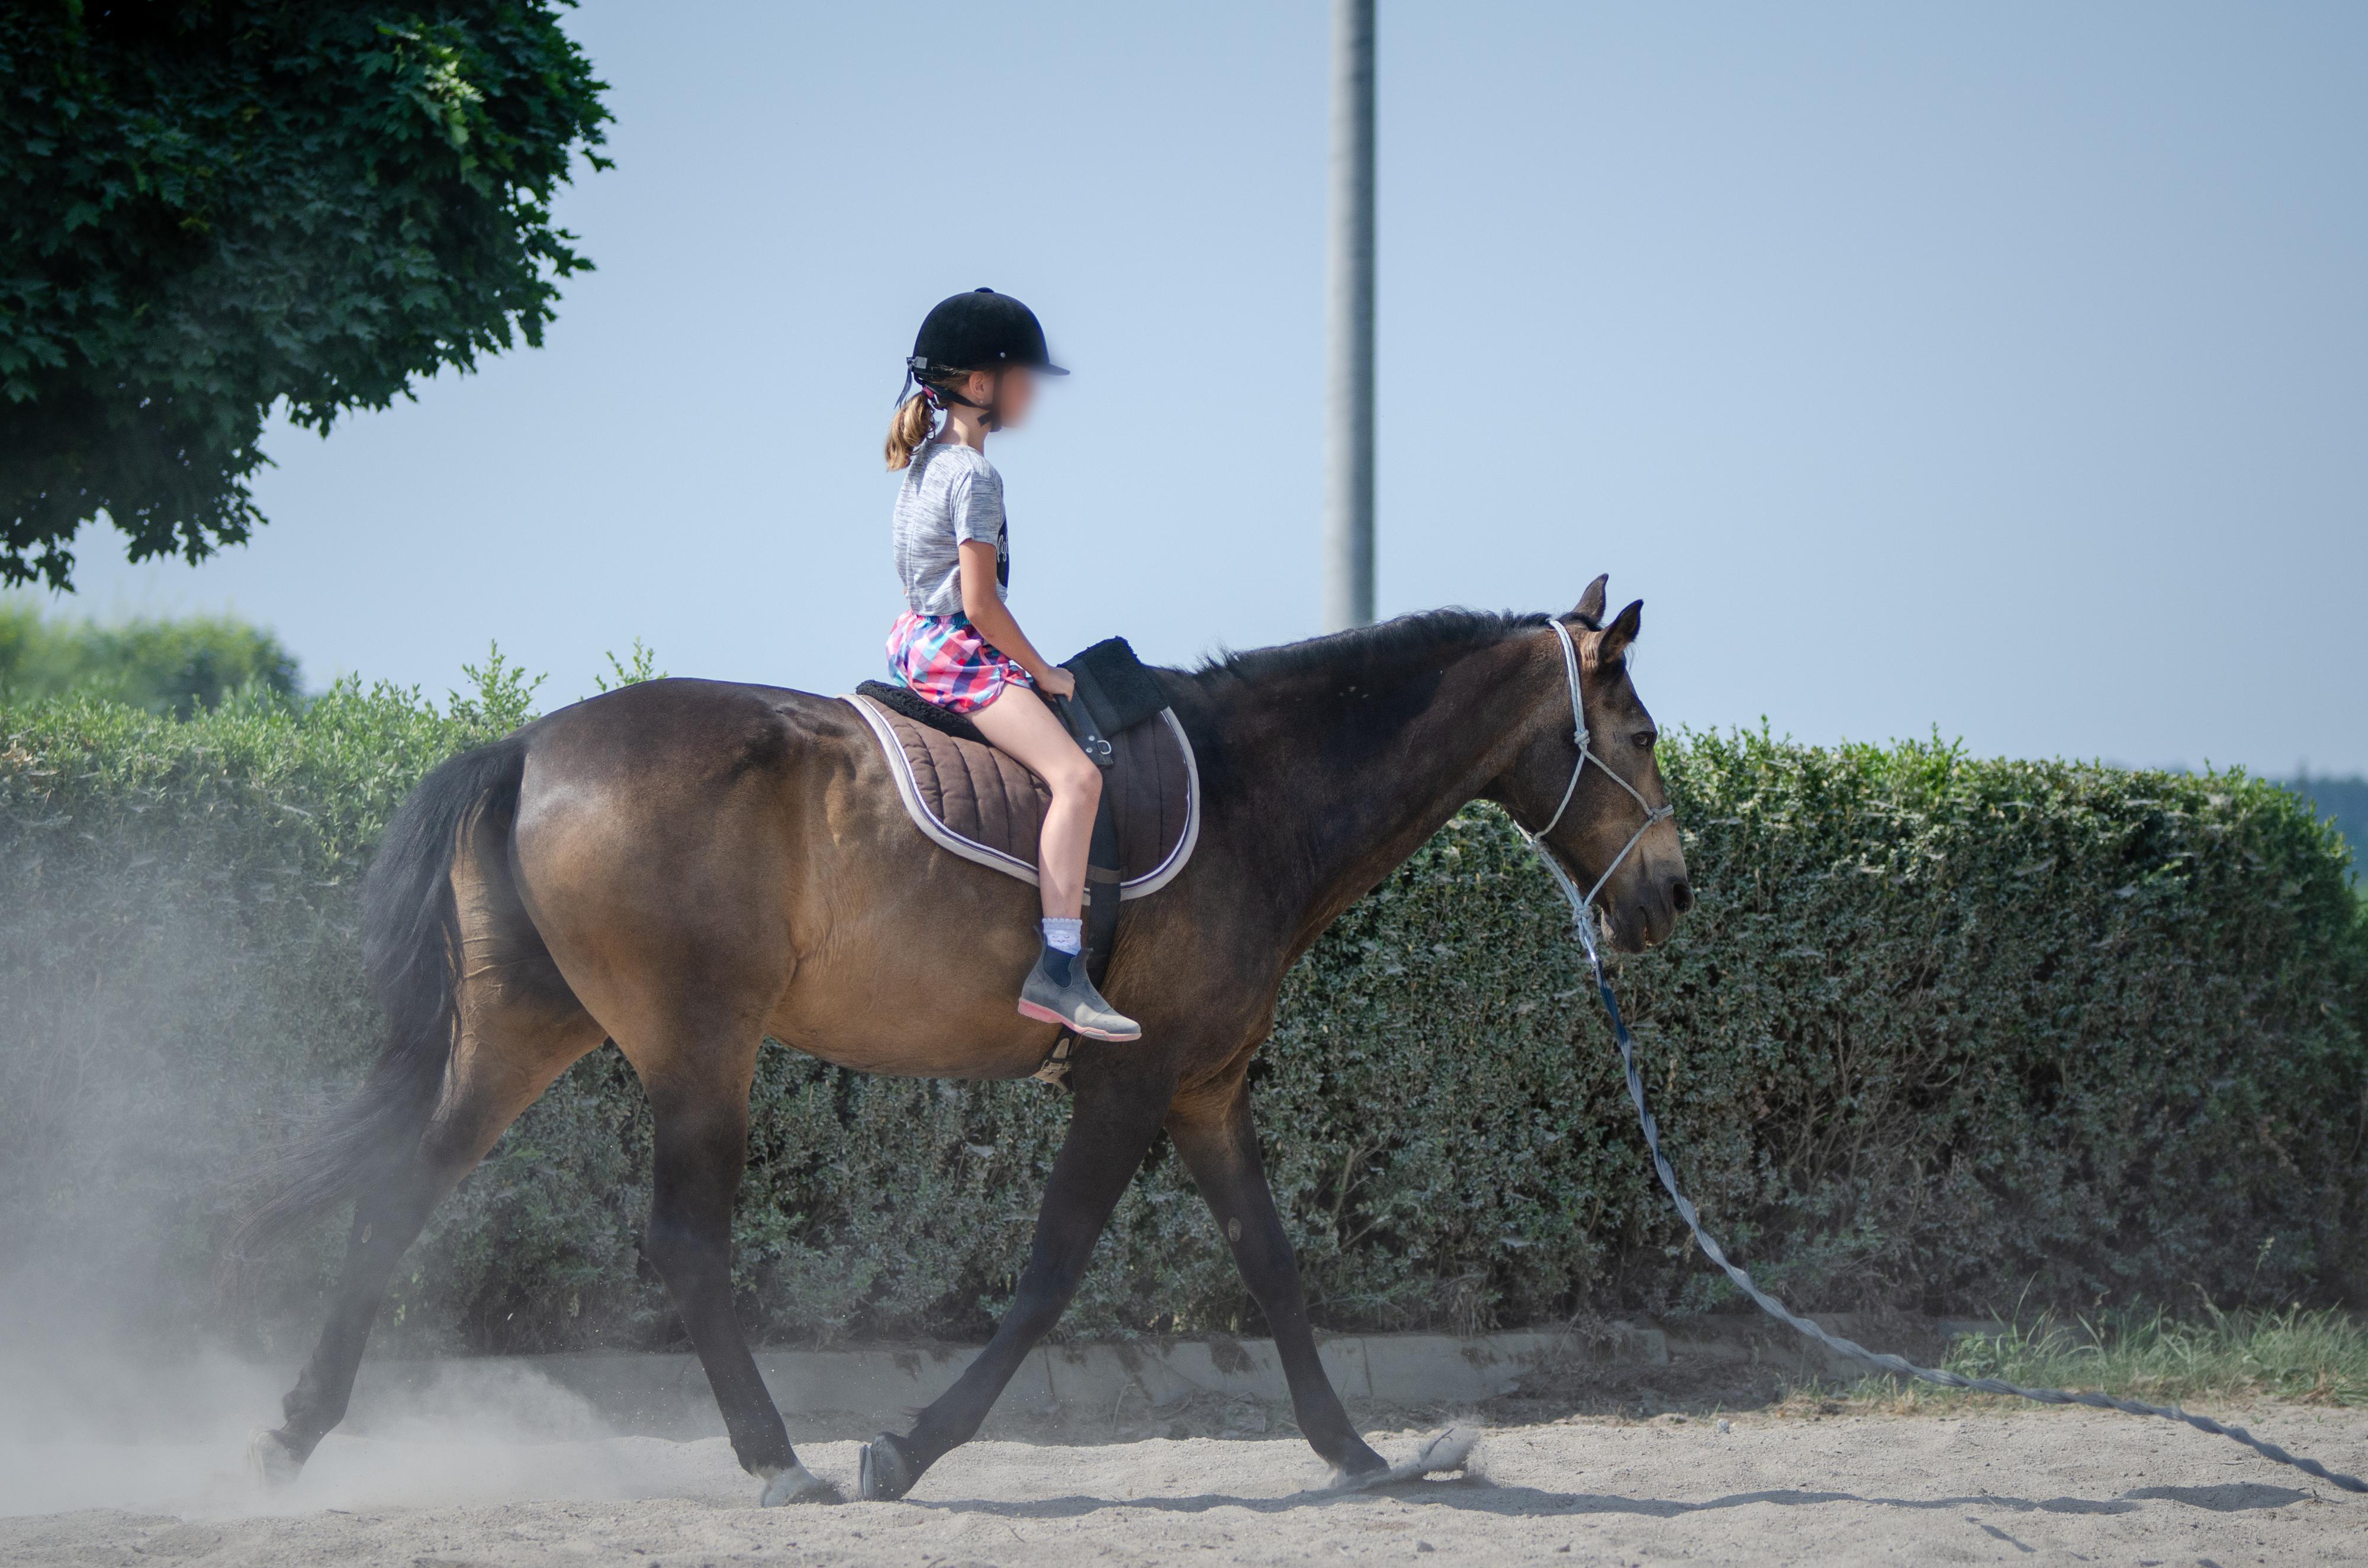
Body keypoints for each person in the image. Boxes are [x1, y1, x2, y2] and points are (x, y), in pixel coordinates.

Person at [883, 288, 1141, 1043]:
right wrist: (1044, 673)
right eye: (1026, 375)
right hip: (957, 647)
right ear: (982, 384)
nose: (1035, 391)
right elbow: (983, 604)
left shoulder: (929, 460)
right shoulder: (976, 476)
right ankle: (1060, 967)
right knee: (1078, 777)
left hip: (913, 635)